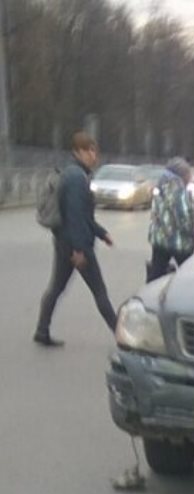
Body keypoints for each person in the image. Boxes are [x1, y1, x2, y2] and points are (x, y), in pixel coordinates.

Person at [34, 131, 116, 346]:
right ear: (78, 151)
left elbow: (83, 216)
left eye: (94, 151)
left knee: (56, 288)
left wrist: (102, 233)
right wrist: (79, 249)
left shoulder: (73, 173)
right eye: (89, 151)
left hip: (64, 242)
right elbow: (77, 217)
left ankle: (42, 330)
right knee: (100, 292)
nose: (93, 156)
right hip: (77, 246)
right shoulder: (76, 178)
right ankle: (122, 336)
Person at [147, 157, 194, 282]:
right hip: (178, 241)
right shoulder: (177, 189)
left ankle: (150, 291)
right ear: (182, 174)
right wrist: (191, 232)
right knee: (189, 274)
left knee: (156, 272)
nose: (190, 178)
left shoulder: (161, 186)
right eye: (188, 174)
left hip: (160, 239)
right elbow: (183, 215)